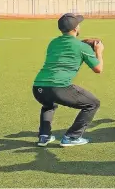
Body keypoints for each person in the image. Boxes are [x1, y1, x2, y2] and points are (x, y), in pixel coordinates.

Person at [32, 13, 104, 147]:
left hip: (38, 87)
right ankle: (72, 137)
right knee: (93, 103)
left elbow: (68, 50)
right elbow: (98, 68)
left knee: (49, 105)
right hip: (58, 87)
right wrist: (98, 52)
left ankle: (44, 136)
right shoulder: (82, 47)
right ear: (76, 28)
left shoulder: (53, 43)